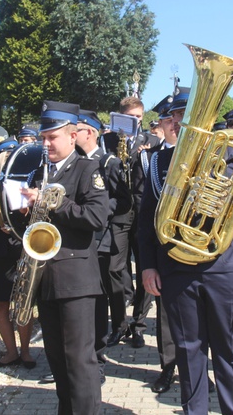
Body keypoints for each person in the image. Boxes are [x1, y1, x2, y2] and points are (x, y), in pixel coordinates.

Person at [139, 95, 233, 414]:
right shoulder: (158, 162)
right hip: (176, 270)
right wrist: (146, 266)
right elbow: (145, 222)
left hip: (227, 267)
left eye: (192, 114)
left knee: (228, 351)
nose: (182, 121)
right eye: (178, 116)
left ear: (210, 119)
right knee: (187, 350)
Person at [20, 100, 109, 414]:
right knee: (57, 360)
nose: (45, 144)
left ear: (73, 136)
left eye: (52, 137)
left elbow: (97, 217)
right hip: (44, 277)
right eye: (43, 137)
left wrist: (53, 202)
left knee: (79, 363)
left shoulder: (88, 169)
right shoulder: (39, 171)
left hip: (76, 281)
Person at [76, 109, 132, 385]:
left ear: (92, 132)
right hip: (76, 239)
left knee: (100, 296)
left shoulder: (109, 162)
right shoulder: (72, 161)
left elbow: (122, 200)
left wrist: (99, 212)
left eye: (78, 128)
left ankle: (98, 353)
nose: (73, 133)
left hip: (100, 238)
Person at [101, 95, 161, 348]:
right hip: (119, 212)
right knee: (114, 268)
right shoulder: (107, 141)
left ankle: (138, 324)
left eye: (139, 118)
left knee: (146, 267)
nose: (135, 122)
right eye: (130, 118)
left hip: (143, 211)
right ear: (120, 117)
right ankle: (118, 324)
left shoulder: (151, 141)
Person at [131, 92, 179, 393]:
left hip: (204, 256)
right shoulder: (155, 158)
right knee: (165, 318)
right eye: (170, 117)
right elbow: (146, 216)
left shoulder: (214, 153)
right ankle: (168, 368)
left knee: (202, 319)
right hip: (167, 252)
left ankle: (199, 370)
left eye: (181, 116)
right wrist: (148, 264)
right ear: (162, 123)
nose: (175, 122)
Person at [0, 137, 37, 370]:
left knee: (23, 303)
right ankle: (11, 351)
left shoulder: (23, 183)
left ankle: (25, 351)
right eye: (4, 158)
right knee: (1, 305)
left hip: (19, 248)